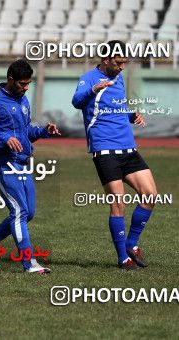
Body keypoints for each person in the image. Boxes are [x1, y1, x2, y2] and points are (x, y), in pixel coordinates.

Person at [72, 40, 157, 270]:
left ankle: (131, 244)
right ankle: (123, 258)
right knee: (118, 203)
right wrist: (93, 89)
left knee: (150, 195)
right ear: (106, 59)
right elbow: (76, 101)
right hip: (105, 149)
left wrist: (131, 115)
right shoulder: (90, 77)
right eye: (118, 62)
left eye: (124, 63)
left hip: (128, 147)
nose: (122, 67)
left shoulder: (118, 79)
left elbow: (114, 107)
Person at [0, 59, 60, 273]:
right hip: (3, 164)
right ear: (10, 79)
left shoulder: (23, 100)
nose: (26, 87)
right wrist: (3, 139)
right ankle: (29, 263)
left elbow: (26, 130)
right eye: (22, 84)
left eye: (28, 83)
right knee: (19, 211)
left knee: (27, 213)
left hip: (22, 163)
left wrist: (43, 131)